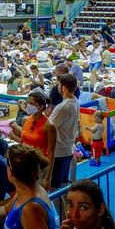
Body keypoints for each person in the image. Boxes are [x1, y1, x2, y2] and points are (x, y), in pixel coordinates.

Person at [45, 74, 79, 219]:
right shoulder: (75, 101)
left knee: (54, 190)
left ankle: (65, 222)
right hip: (68, 148)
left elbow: (48, 127)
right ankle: (69, 219)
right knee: (64, 187)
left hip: (59, 152)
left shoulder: (62, 106)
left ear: (63, 87)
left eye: (59, 85)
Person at [9, 90, 55, 158]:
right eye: (27, 102)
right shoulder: (25, 119)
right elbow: (22, 142)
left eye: (31, 103)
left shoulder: (49, 125)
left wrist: (49, 168)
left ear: (40, 107)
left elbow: (51, 152)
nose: (28, 105)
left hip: (39, 161)